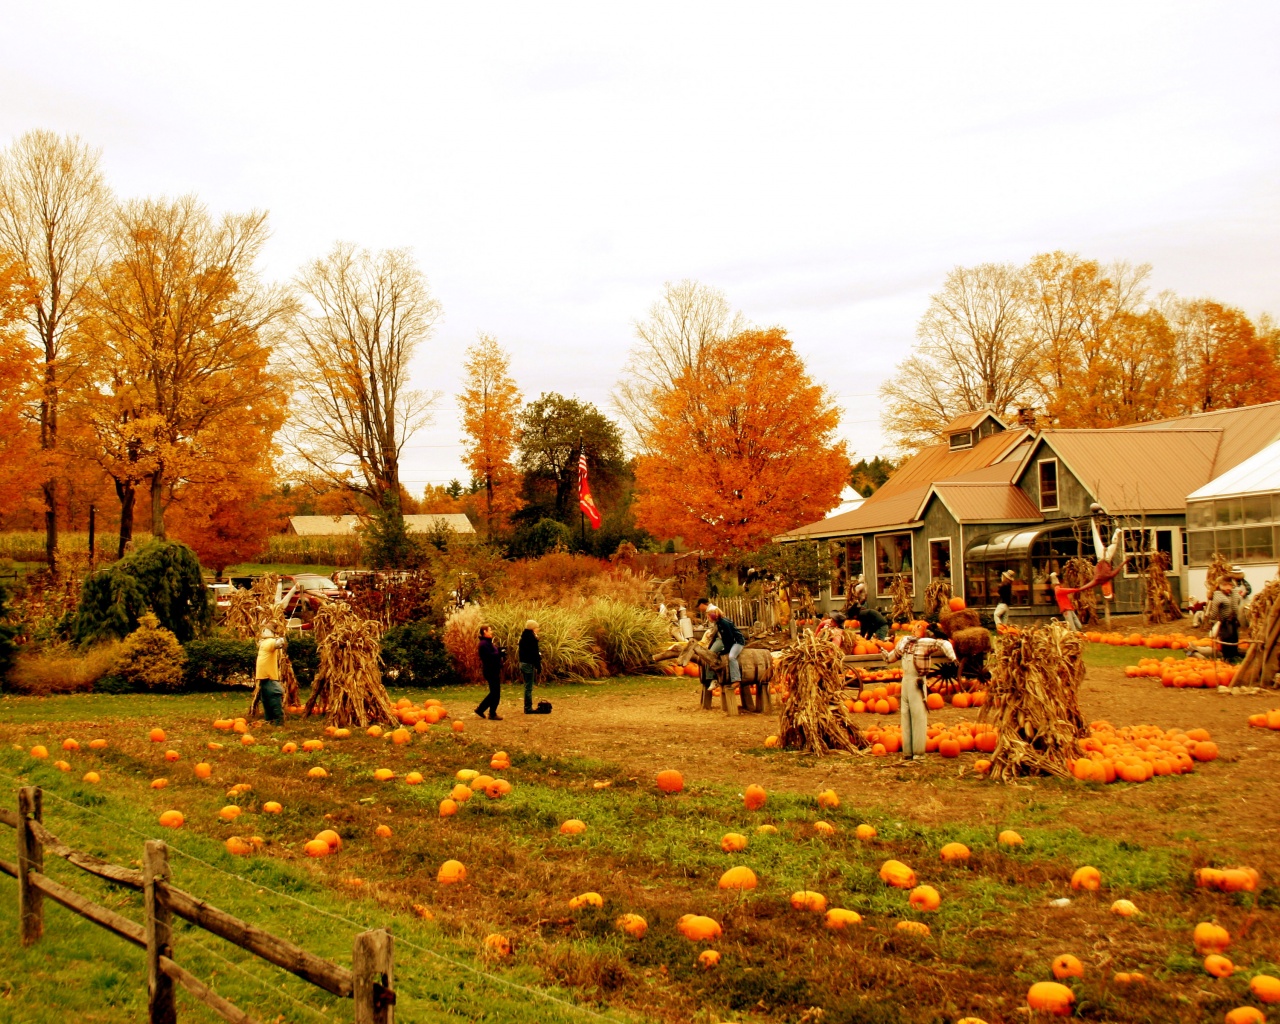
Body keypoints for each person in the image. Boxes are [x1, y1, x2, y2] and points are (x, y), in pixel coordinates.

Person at [885, 620, 956, 763]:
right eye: (915, 626)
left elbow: (944, 644)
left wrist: (952, 657)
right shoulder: (905, 641)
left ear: (925, 631)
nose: (914, 629)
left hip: (918, 681)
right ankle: (907, 752)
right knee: (905, 715)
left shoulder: (926, 643)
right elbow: (893, 656)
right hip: (906, 682)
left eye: (919, 627)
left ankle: (918, 753)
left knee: (918, 716)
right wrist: (885, 654)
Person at [1206, 572, 1246, 663]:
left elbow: (1239, 602)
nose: (1228, 587)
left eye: (1230, 585)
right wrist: (1212, 620)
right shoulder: (1218, 595)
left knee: (1234, 637)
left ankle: (1234, 654)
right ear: (1220, 586)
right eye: (1225, 585)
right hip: (1225, 621)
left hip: (1234, 620)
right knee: (1227, 638)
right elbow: (1214, 610)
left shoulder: (1234, 593)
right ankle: (1227, 657)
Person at [706, 605, 746, 688]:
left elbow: (730, 637)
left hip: (737, 642)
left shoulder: (724, 622)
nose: (708, 619)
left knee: (732, 657)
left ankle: (736, 679)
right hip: (732, 642)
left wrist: (727, 649)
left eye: (708, 617)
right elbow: (724, 638)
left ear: (713, 616)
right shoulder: (719, 622)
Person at [256, 627, 287, 726]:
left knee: (273, 697)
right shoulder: (264, 642)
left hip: (269, 676)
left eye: (265, 629)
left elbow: (278, 644)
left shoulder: (270, 642)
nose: (263, 631)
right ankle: (269, 720)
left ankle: (279, 721)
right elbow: (259, 643)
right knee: (265, 700)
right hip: (263, 677)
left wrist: (282, 640)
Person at [475, 625, 504, 720]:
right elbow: (489, 657)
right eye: (490, 630)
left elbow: (493, 654)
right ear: (484, 631)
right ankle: (490, 712)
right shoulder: (484, 644)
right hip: (490, 671)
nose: (491, 632)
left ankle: (483, 710)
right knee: (495, 693)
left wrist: (500, 651)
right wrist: (499, 653)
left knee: (495, 692)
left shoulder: (488, 643)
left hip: (493, 670)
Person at [518, 619, 542, 714]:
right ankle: (528, 708)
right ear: (532, 629)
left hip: (522, 663)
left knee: (527, 686)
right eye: (537, 627)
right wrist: (538, 666)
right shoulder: (532, 639)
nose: (538, 629)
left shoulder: (523, 638)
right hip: (528, 664)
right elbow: (534, 654)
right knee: (528, 687)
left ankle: (527, 707)